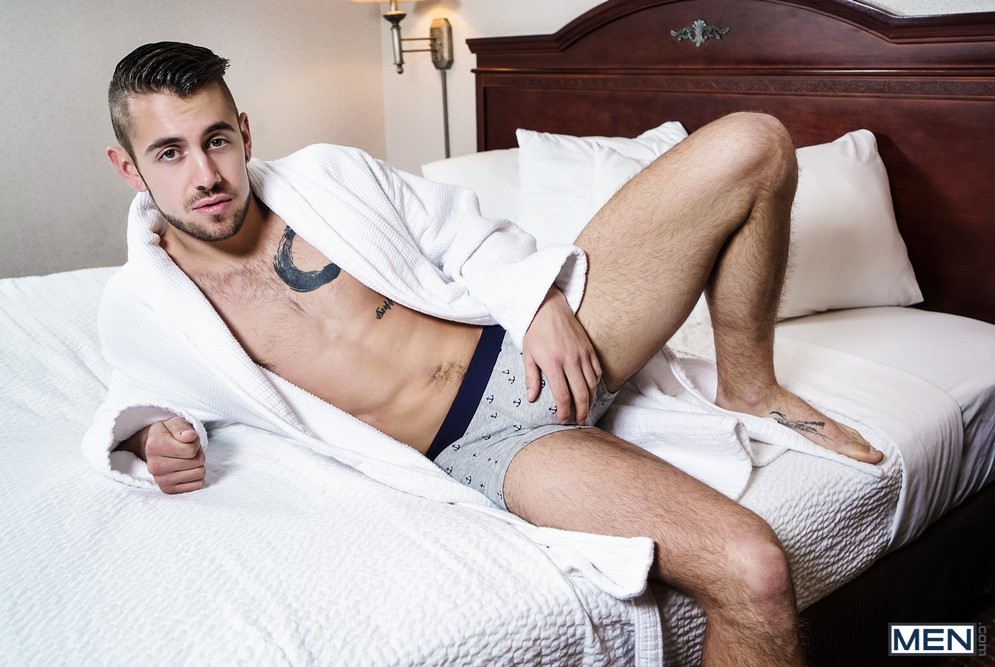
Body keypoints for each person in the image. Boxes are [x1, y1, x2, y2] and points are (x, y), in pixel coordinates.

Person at [92, 41, 883, 666]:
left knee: (754, 141)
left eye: (217, 140)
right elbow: (131, 403)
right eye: (170, 153)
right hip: (493, 447)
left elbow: (465, 233)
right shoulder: (144, 308)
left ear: (245, 132)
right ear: (127, 167)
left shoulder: (329, 174)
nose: (206, 175)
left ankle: (750, 385)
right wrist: (152, 436)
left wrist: (539, 304)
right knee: (753, 569)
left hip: (540, 341)